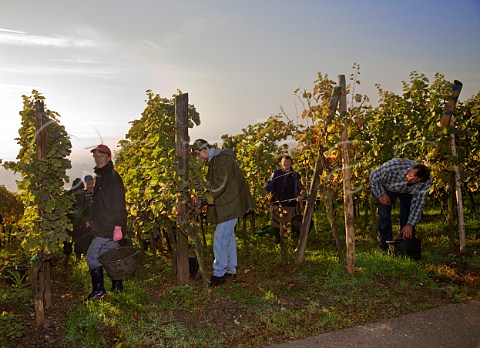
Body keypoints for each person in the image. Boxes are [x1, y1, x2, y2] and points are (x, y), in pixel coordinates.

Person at [192, 139, 255, 287]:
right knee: (229, 237)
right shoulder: (216, 160)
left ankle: (219, 273)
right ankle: (231, 269)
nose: (199, 158)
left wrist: (203, 199)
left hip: (230, 205)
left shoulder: (223, 159)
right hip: (228, 204)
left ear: (204, 149)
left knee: (220, 238)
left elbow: (221, 184)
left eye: (198, 154)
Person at [85, 144, 127, 300]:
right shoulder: (101, 177)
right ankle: (117, 287)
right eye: (95, 156)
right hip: (103, 224)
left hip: (109, 226)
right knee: (110, 256)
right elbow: (98, 202)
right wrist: (90, 218)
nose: (97, 159)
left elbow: (118, 203)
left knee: (92, 256)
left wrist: (118, 226)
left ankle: (98, 291)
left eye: (101, 156)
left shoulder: (113, 177)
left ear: (109, 157)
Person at [369, 158, 432, 251]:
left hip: (407, 192)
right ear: (412, 168)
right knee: (384, 216)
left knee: (408, 215)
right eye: (411, 175)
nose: (410, 178)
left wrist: (410, 224)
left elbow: (418, 204)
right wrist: (380, 194)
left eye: (414, 180)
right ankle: (385, 247)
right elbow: (373, 176)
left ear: (420, 181)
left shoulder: (425, 182)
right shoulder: (394, 166)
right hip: (387, 188)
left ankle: (406, 245)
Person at [265, 155, 303, 242]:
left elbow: (298, 187)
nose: (286, 164)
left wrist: (299, 195)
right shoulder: (276, 173)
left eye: (288, 162)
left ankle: (285, 240)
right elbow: (269, 185)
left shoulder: (295, 175)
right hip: (276, 201)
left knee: (286, 221)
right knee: (275, 221)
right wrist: (264, 192)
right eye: (285, 162)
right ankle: (278, 239)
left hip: (289, 202)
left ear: (291, 163)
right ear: (281, 163)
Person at [64, 178, 93, 264]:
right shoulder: (67, 197)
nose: (82, 190)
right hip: (68, 224)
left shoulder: (85, 198)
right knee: (67, 243)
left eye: (82, 189)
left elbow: (89, 211)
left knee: (79, 243)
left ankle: (78, 260)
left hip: (81, 225)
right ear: (75, 189)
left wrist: (87, 220)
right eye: (80, 189)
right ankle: (66, 259)